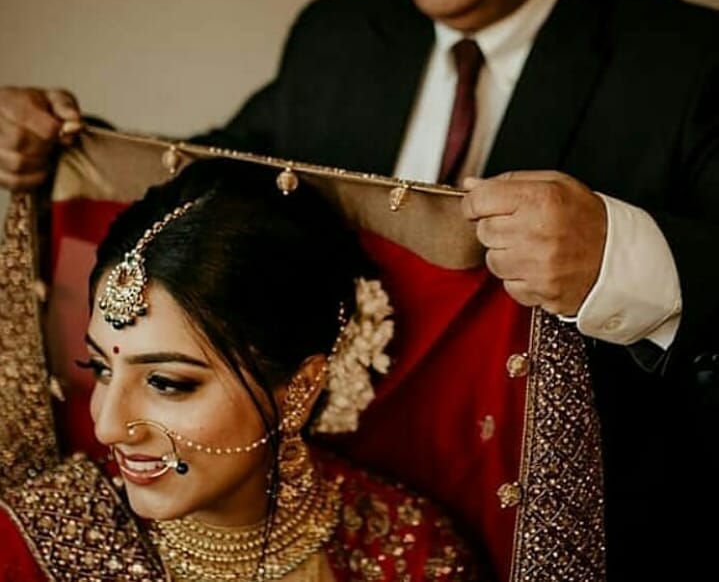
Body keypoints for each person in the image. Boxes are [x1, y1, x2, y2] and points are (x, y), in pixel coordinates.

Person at [0, 0, 717, 578]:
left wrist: (628, 260)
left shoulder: (689, 64)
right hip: (324, 519)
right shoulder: (338, 37)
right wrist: (59, 143)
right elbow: (209, 202)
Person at [0, 156, 483, 581]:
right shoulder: (34, 544)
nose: (106, 428)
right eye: (101, 368)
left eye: (167, 383)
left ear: (300, 389)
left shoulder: (412, 553)